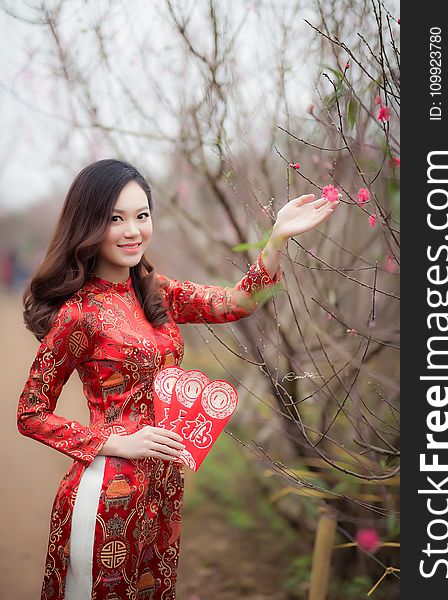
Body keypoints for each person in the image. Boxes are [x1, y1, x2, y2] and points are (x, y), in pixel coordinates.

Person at [17, 158, 339, 599]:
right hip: (108, 490)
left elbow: (237, 302)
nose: (133, 230)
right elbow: (30, 414)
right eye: (116, 218)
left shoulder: (154, 290)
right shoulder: (79, 314)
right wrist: (113, 441)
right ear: (89, 224)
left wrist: (277, 240)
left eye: (141, 216)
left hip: (163, 486)